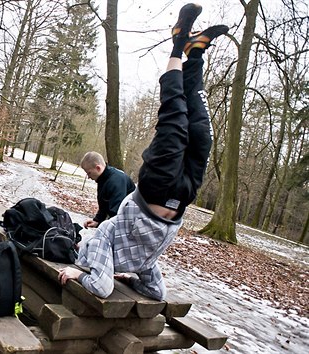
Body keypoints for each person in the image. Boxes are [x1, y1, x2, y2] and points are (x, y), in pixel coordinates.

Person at [58, 3, 228, 301]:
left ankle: (179, 41)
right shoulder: (138, 263)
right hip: (183, 198)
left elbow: (100, 286)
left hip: (155, 189)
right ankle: (196, 53)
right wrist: (126, 275)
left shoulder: (97, 246)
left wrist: (81, 273)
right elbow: (155, 292)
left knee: (175, 117)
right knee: (201, 131)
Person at [80, 152, 135, 228]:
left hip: (130, 223)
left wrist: (105, 229)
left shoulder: (116, 181)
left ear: (98, 168)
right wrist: (97, 220)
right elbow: (104, 204)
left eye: (89, 173)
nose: (88, 177)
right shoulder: (103, 178)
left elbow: (116, 213)